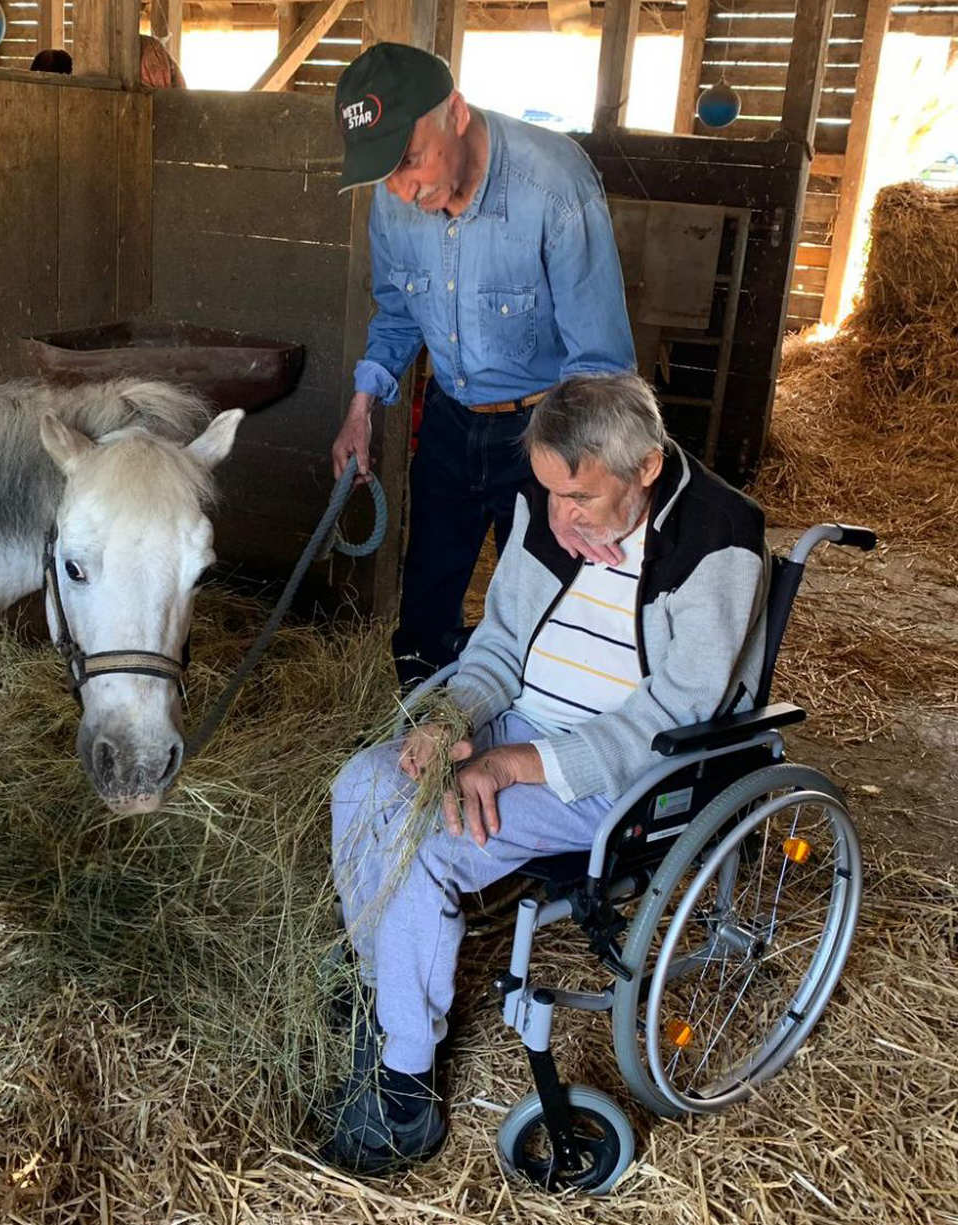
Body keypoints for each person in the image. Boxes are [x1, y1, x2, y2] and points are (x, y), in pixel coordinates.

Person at [323, 372, 769, 1174]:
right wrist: (453, 718)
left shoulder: (721, 538)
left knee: (427, 840)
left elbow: (675, 713)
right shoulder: (548, 501)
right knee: (360, 783)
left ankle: (407, 1085)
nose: (559, 515)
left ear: (645, 470)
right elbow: (496, 646)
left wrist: (513, 764)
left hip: (618, 770)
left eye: (581, 499)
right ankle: (379, 984)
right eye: (549, 492)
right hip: (518, 721)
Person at [331, 43, 636, 687]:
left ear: (457, 113)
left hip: (544, 432)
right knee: (423, 614)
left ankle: (514, 766)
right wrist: (362, 408)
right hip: (449, 421)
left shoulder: (554, 186)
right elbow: (396, 312)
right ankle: (419, 750)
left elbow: (602, 366)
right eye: (385, 172)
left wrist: (572, 486)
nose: (402, 190)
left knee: (545, 612)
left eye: (409, 161)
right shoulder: (396, 200)